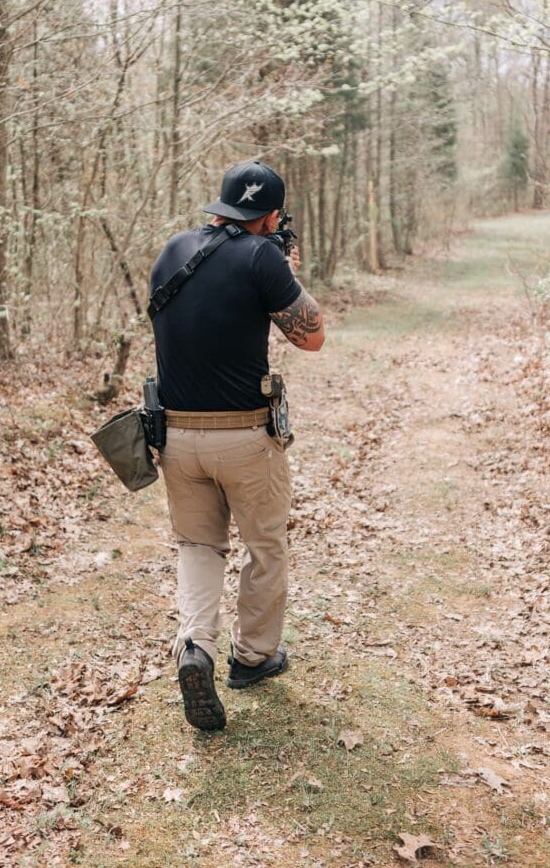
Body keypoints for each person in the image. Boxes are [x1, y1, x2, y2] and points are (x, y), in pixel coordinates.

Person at [149, 159, 325, 731]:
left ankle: (195, 646)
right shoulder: (263, 258)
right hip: (246, 435)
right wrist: (286, 274)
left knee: (198, 545)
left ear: (221, 205)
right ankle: (252, 658)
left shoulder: (173, 250)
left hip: (175, 434)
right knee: (265, 545)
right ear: (271, 215)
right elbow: (312, 336)